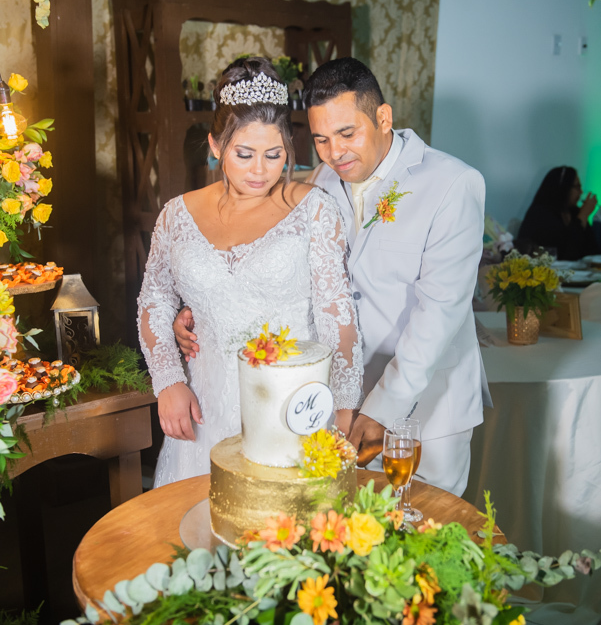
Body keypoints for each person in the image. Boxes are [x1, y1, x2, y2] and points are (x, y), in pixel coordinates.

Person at [176, 58, 487, 497]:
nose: (334, 152)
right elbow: (263, 251)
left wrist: (380, 409)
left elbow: (440, 314)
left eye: (347, 134)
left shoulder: (453, 185)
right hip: (332, 411)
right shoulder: (321, 180)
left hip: (425, 415)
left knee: (419, 542)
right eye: (320, 139)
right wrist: (198, 308)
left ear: (383, 117)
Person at [138, 56, 363, 488]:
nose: (260, 170)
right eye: (244, 154)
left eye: (274, 154)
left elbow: (338, 317)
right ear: (216, 145)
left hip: (289, 413)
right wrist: (167, 381)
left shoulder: (314, 210)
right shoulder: (176, 215)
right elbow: (154, 300)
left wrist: (342, 406)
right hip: (202, 415)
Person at [517, 166, 599, 260]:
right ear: (564, 187)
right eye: (577, 187)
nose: (581, 192)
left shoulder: (574, 212)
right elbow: (566, 254)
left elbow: (593, 251)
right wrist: (583, 216)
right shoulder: (541, 214)